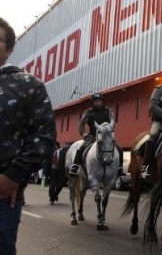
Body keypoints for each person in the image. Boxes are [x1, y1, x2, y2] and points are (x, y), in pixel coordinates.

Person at [0, 17, 57, 255]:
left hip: (3, 190)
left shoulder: (28, 85)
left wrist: (14, 175)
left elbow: (44, 134)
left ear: (10, 49)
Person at [69, 93, 124, 176]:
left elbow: (113, 122)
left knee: (119, 148)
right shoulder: (88, 112)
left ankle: (120, 168)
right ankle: (75, 166)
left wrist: (109, 130)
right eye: (96, 101)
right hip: (92, 137)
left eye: (99, 101)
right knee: (81, 148)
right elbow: (81, 124)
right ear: (93, 102)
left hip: (106, 137)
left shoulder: (108, 110)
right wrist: (83, 133)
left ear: (102, 101)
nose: (97, 102)